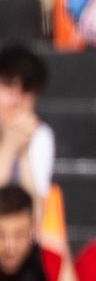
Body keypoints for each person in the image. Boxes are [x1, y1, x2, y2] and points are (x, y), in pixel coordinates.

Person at [0, 183, 78, 281]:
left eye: (19, 235)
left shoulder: (50, 262)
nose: (10, 246)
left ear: (33, 229)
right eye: (1, 236)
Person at [0, 44, 53, 209]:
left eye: (26, 91)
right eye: (9, 86)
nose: (16, 101)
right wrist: (9, 147)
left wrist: (23, 151)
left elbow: (35, 215)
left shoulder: (40, 135)